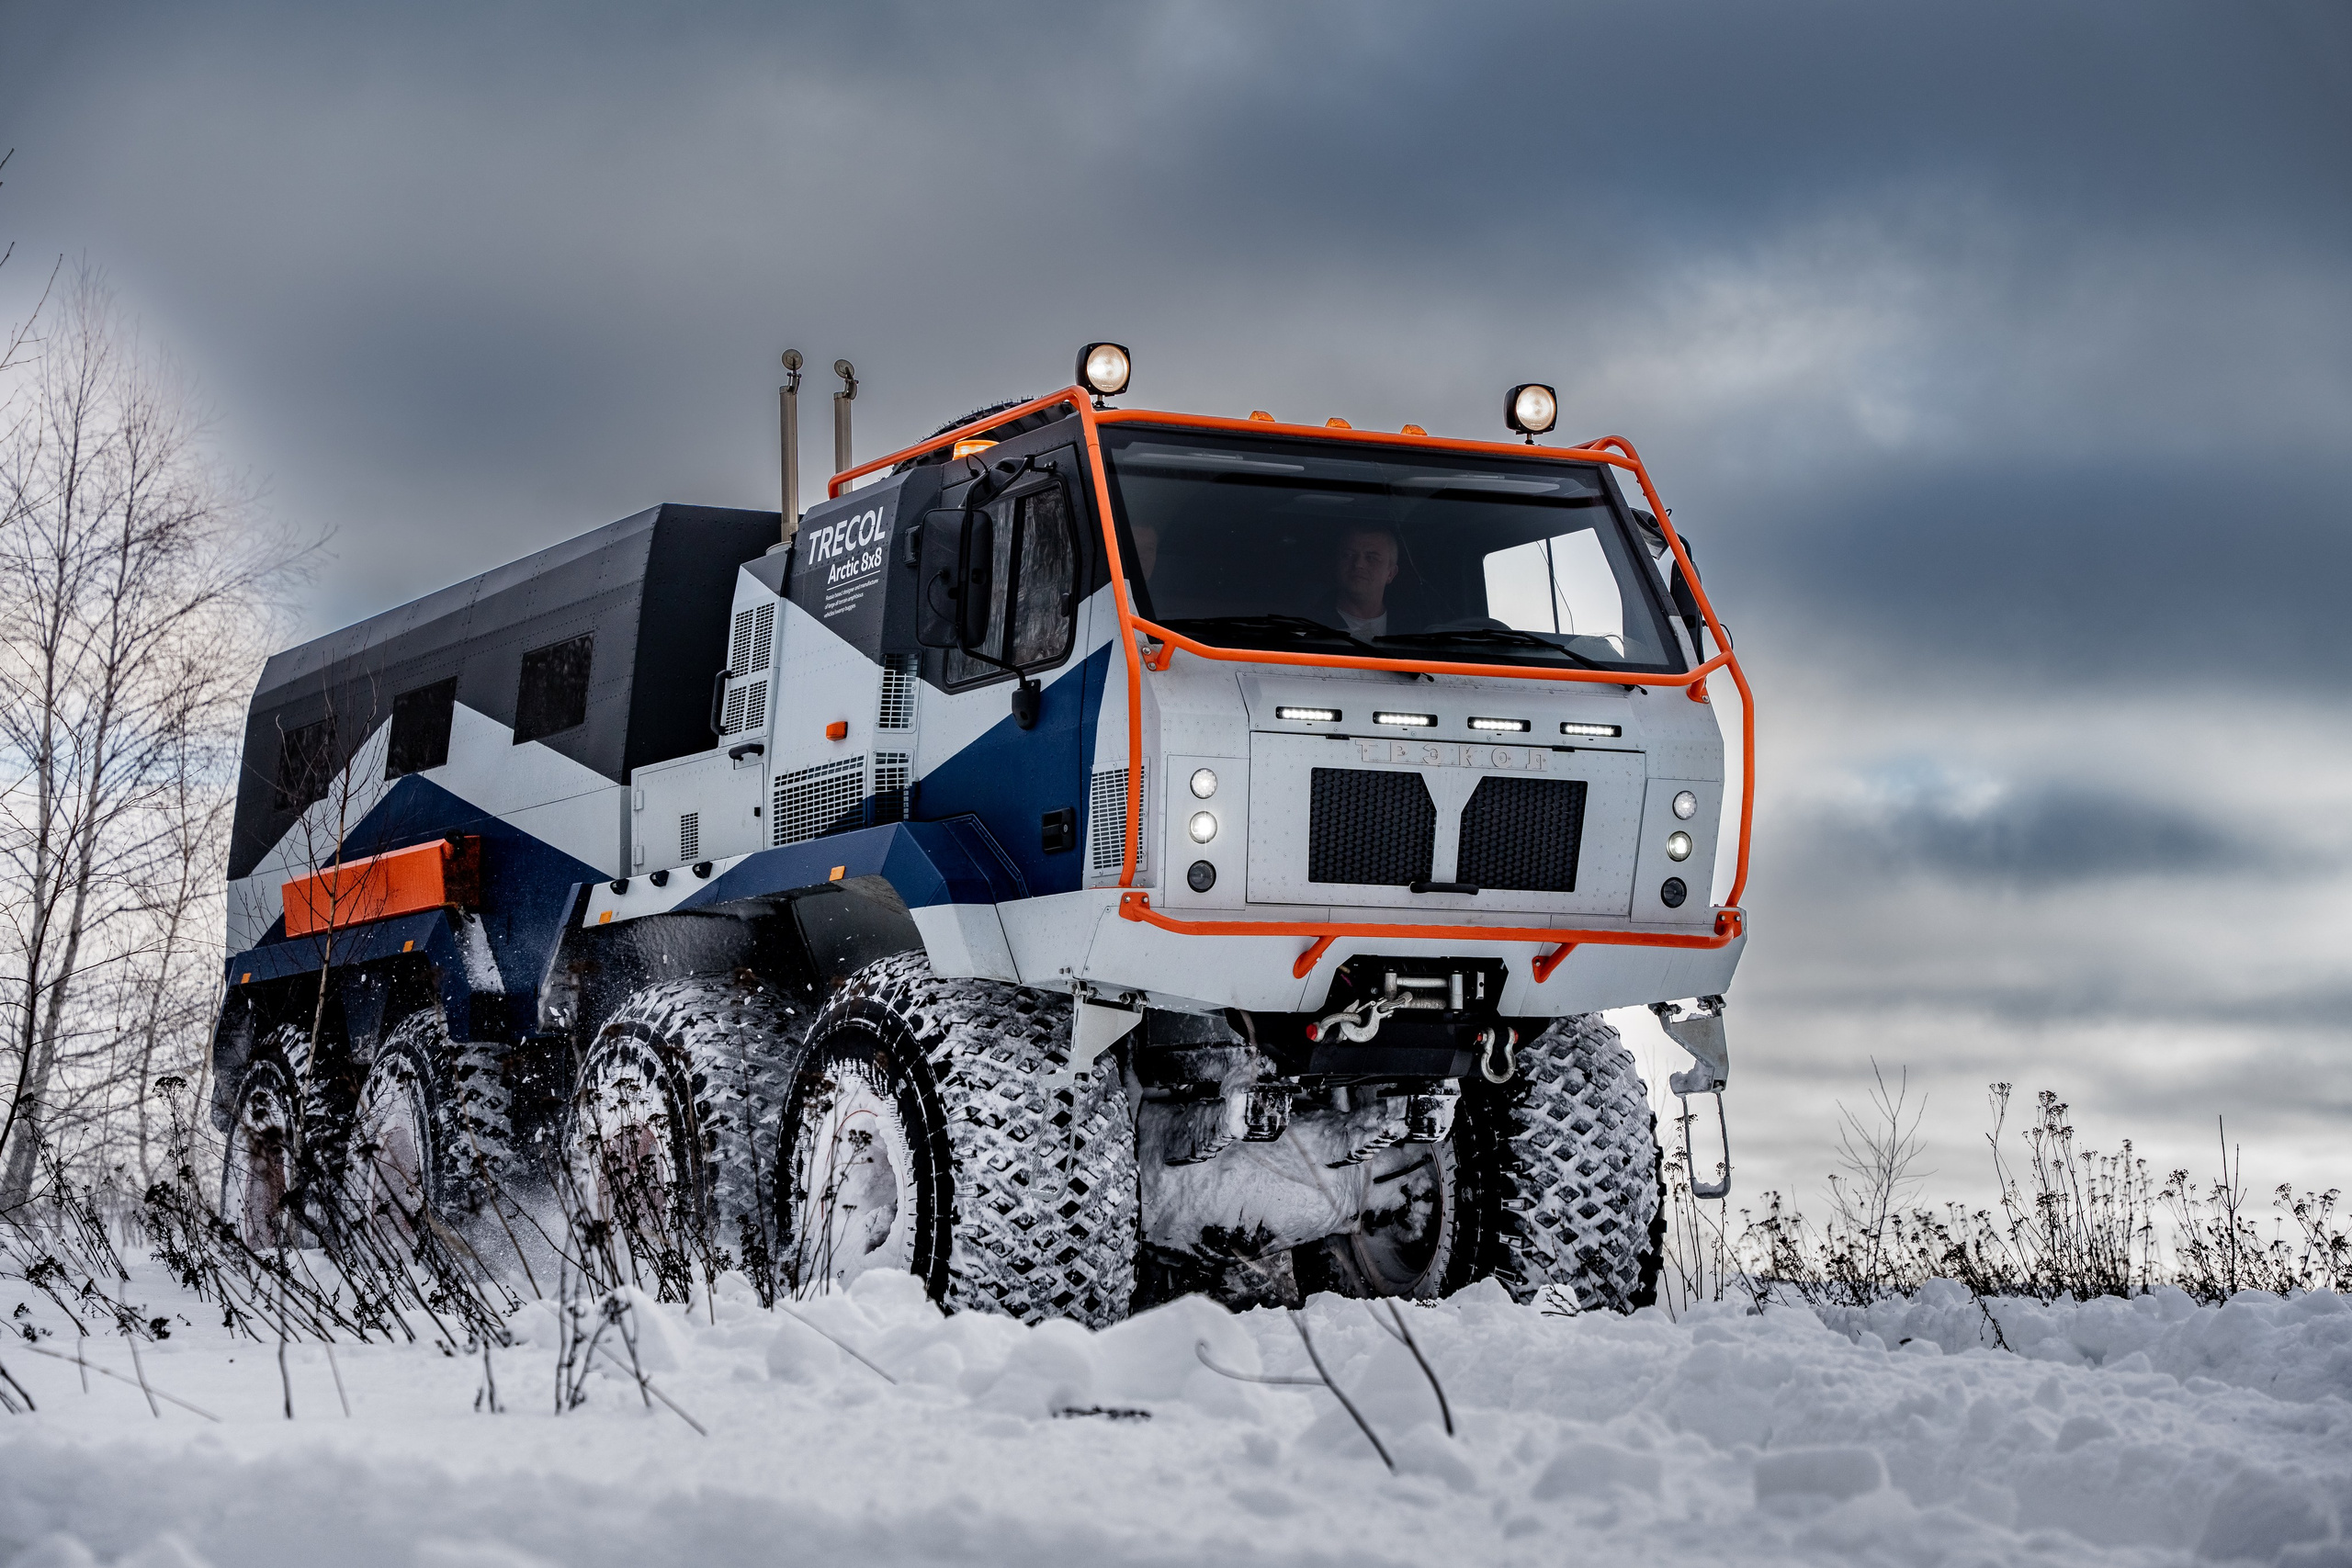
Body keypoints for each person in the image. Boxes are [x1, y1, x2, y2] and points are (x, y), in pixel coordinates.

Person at [1329, 525, 1400, 638]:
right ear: (1336, 564)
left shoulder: (1417, 628)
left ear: (1391, 573)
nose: (1358, 564)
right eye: (1349, 555)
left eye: (1371, 557)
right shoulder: (1306, 626)